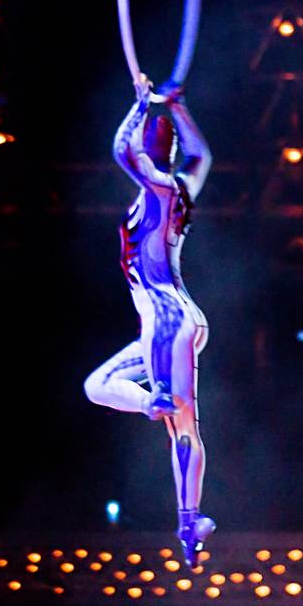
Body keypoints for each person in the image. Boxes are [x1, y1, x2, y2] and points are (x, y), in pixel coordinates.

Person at [84, 73, 215, 566]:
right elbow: (203, 157)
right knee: (103, 387)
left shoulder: (159, 187)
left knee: (177, 427)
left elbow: (121, 151)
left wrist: (141, 105)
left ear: (149, 146)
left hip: (164, 320)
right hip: (182, 321)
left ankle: (152, 404)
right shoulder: (179, 186)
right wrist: (177, 108)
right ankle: (188, 523)